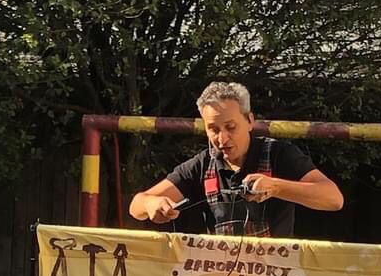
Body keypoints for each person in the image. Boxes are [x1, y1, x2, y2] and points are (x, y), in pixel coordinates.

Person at [129, 80, 343, 236]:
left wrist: (277, 187)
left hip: (275, 275)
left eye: (230, 127)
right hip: (219, 275)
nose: (222, 138)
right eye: (213, 130)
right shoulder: (202, 165)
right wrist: (152, 204)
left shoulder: (280, 154)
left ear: (250, 121)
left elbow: (334, 199)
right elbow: (136, 206)